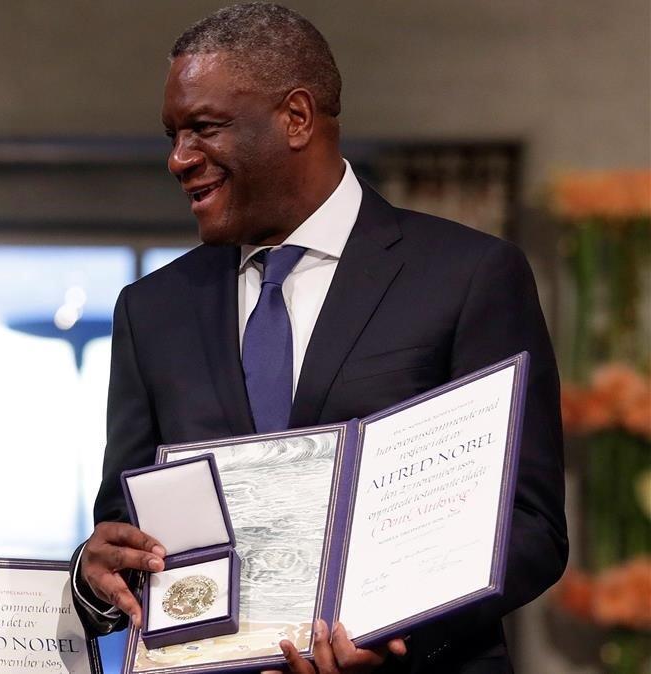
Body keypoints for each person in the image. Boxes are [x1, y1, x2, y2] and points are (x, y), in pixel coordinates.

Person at [71, 4, 567, 673]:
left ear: (297, 117)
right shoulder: (151, 310)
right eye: (172, 134)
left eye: (203, 129)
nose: (178, 159)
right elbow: (123, 526)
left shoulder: (469, 276)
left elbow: (529, 525)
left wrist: (395, 636)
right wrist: (95, 570)